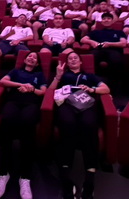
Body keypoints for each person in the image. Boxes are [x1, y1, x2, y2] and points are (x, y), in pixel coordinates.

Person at [50, 53, 111, 199]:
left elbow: (106, 89)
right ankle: (65, 176)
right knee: (68, 124)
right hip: (66, 104)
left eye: (75, 58)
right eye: (69, 59)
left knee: (89, 125)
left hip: (85, 104)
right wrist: (58, 76)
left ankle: (89, 178)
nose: (72, 60)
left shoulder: (89, 76)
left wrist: (92, 90)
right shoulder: (64, 76)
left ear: (81, 62)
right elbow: (50, 90)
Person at [0, 52, 47, 199]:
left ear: (37, 63)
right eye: (29, 56)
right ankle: (3, 173)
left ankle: (25, 177)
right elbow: (3, 81)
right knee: (6, 120)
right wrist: (21, 85)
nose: (31, 58)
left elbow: (43, 91)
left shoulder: (40, 75)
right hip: (13, 101)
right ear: (25, 59)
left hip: (31, 103)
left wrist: (32, 89)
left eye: (34, 58)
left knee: (28, 123)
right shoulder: (16, 71)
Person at [79, 13, 126, 89]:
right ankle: (90, 83)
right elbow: (82, 39)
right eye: (104, 19)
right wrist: (92, 42)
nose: (106, 20)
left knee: (116, 59)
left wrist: (109, 44)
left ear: (112, 21)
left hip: (113, 50)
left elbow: (123, 43)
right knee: (91, 58)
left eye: (108, 18)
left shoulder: (119, 32)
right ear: (101, 21)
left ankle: (114, 86)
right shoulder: (96, 32)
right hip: (99, 49)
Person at [0, 15, 34, 82]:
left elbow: (31, 37)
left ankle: (21, 76)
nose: (23, 19)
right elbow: (1, 38)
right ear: (16, 20)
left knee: (27, 54)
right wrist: (10, 34)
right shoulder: (8, 28)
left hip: (20, 43)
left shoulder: (27, 29)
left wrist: (19, 40)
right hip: (6, 43)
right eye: (21, 17)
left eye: (25, 19)